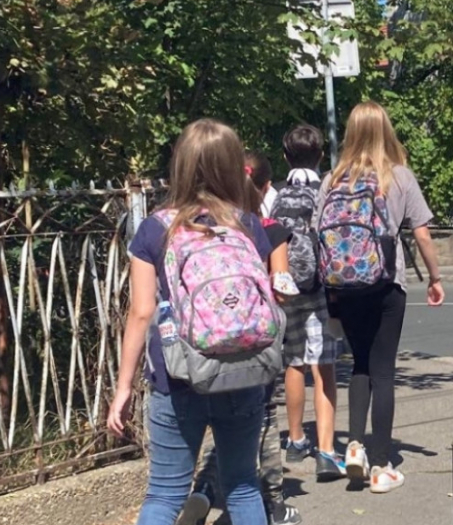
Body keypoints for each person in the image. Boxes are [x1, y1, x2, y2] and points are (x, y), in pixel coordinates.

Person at [107, 118, 273, 525]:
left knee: (165, 494)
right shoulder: (248, 225)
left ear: (179, 164)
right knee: (243, 485)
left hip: (177, 376)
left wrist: (124, 388)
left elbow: (141, 312)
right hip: (243, 371)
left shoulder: (155, 229)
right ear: (232, 166)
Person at [317, 102, 445, 493]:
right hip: (386, 283)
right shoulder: (399, 176)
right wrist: (435, 277)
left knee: (359, 364)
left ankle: (354, 445)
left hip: (343, 287)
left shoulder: (332, 180)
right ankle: (381, 465)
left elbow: (317, 233)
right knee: (384, 371)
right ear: (386, 130)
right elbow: (422, 233)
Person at [178, 151, 303, 525]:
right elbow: (281, 287)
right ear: (265, 188)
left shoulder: (204, 226)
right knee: (262, 421)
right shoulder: (267, 228)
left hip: (209, 345)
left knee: (221, 425)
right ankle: (273, 503)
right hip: (256, 346)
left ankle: (203, 489)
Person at [272, 125, 346, 481]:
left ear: (286, 157)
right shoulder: (327, 192)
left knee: (294, 362)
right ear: (320, 156)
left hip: (287, 287)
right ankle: (327, 451)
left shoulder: (275, 195)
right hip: (322, 289)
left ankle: (296, 438)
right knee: (324, 364)